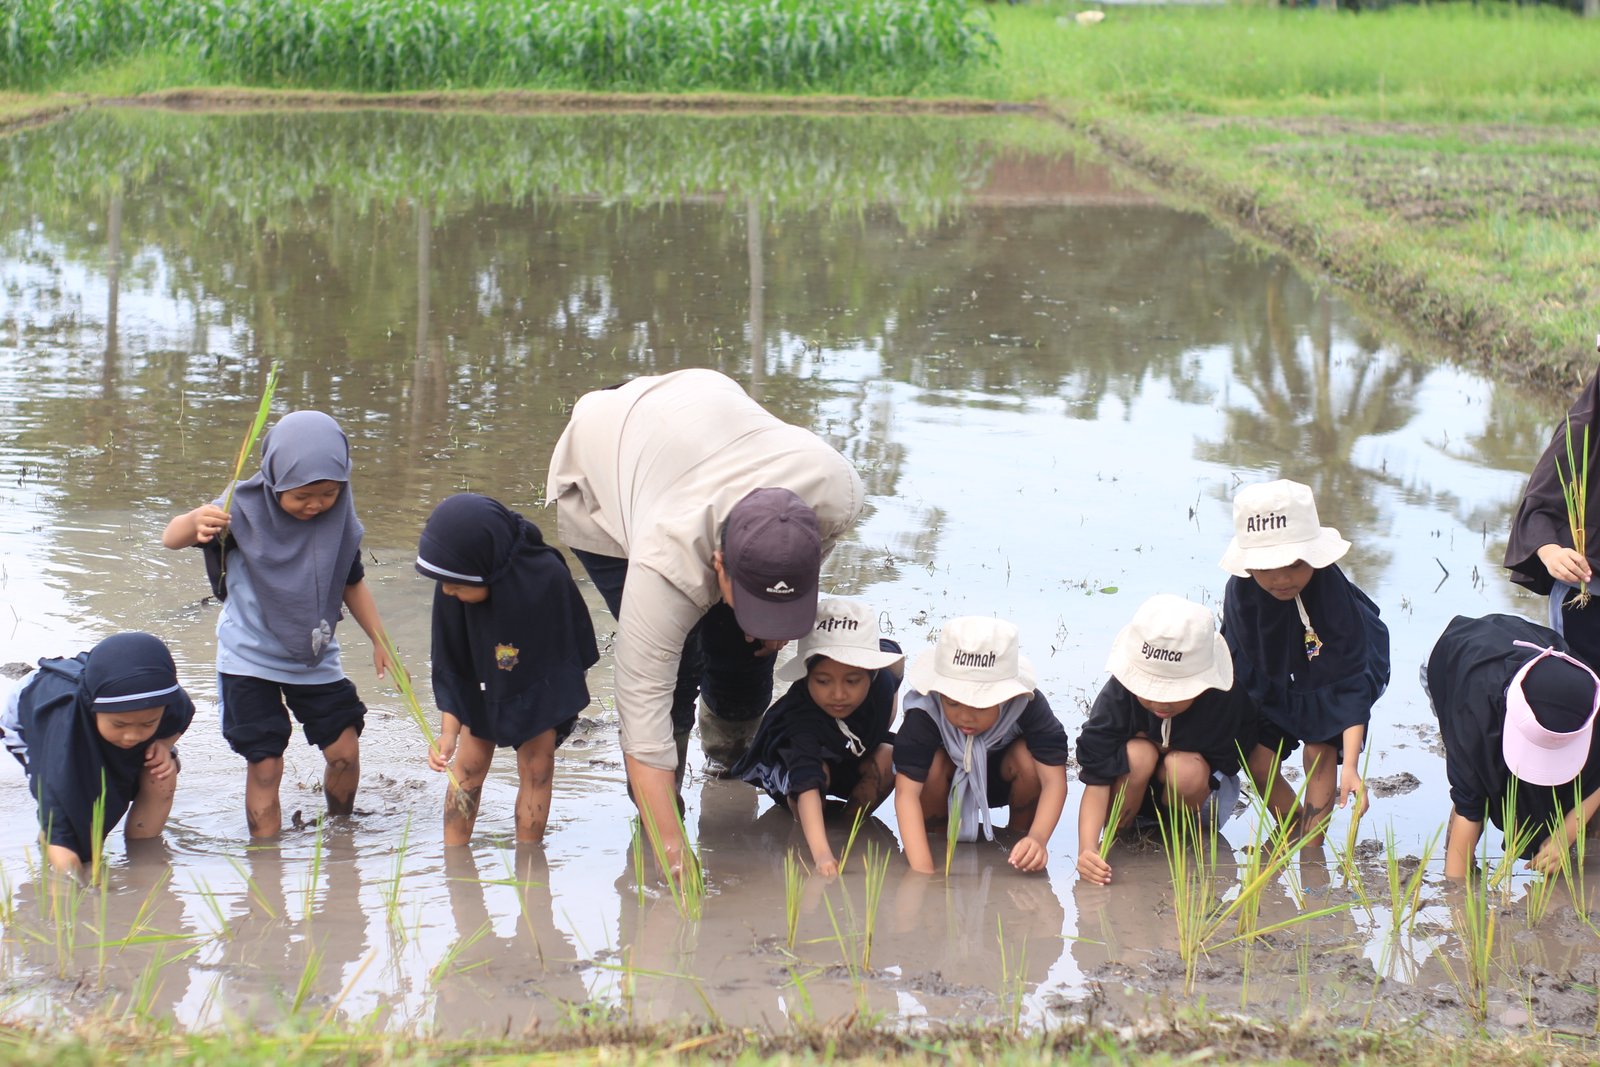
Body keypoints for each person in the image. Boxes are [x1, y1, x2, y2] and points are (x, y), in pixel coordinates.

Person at [546, 368, 863, 864]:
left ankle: (733, 763)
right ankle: (658, 808)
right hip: (604, 460)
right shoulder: (665, 557)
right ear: (719, 567)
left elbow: (802, 554)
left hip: (700, 414)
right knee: (677, 671)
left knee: (744, 650)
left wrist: (775, 617)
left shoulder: (836, 489)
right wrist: (672, 850)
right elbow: (641, 703)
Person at [162, 409, 391, 838]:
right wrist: (193, 523)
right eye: (301, 495)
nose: (316, 504)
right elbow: (171, 538)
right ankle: (266, 863)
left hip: (313, 652)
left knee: (344, 750)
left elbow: (352, 582)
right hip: (248, 657)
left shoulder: (336, 522)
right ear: (273, 480)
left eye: (328, 492)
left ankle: (341, 831)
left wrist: (380, 641)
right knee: (266, 765)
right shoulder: (238, 510)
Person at [415, 493, 599, 845]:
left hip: (536, 682)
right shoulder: (453, 582)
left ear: (488, 566)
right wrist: (449, 733)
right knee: (468, 766)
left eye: (456, 585)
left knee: (537, 767)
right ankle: (455, 865)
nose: (448, 591)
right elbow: (452, 664)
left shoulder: (546, 578)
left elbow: (563, 655)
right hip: (482, 686)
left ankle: (530, 867)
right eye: (444, 584)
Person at [1220, 479, 1389, 844]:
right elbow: (1236, 670)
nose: (1282, 578)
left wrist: (1353, 769)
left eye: (1295, 564)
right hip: (1267, 669)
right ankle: (1292, 826)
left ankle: (1312, 850)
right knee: (1258, 761)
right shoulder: (1241, 597)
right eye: (1267, 567)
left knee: (1320, 749)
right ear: (1248, 566)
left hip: (1327, 666)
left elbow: (1349, 685)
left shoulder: (1332, 598)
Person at [1075, 595, 1256, 886]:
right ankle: (1122, 836)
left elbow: (1230, 764)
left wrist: (1170, 749)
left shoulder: (1226, 702)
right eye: (1151, 688)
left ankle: (1179, 839)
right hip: (1129, 791)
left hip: (1193, 795)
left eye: (1174, 691)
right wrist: (1087, 848)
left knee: (1182, 768)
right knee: (1138, 754)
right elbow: (1096, 781)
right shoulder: (1118, 696)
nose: (1160, 701)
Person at [730, 598, 904, 877]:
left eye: (852, 681)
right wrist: (822, 855)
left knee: (891, 755)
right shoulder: (802, 717)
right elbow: (807, 780)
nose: (838, 694)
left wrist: (882, 721)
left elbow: (893, 654)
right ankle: (809, 832)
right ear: (806, 674)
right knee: (813, 780)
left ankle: (847, 828)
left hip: (850, 754)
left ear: (872, 675)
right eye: (823, 681)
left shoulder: (884, 682)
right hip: (798, 770)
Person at [0, 632, 193, 876]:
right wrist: (77, 884)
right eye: (120, 726)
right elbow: (56, 801)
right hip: (34, 717)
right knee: (74, 815)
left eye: (147, 724)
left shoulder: (162, 696)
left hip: (103, 692)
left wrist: (164, 745)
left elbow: (181, 716)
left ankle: (144, 856)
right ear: (93, 708)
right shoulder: (62, 731)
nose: (132, 736)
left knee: (162, 772)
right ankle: (51, 845)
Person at [1426, 613, 1600, 880]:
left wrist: (1565, 834)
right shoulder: (1475, 718)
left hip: (1536, 653)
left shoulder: (1591, 706)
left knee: (1571, 794)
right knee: (1475, 780)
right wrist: (1456, 898)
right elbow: (1468, 803)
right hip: (1454, 660)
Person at [892, 616, 1070, 874]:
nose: (965, 716)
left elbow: (1054, 781)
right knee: (931, 766)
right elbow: (906, 794)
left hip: (1000, 780)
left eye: (980, 705)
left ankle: (1018, 842)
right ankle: (938, 839)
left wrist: (1039, 839)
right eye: (952, 703)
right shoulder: (925, 712)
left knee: (1028, 760)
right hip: (946, 784)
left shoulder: (1027, 704)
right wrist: (924, 873)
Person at [1505, 360, 1600, 669]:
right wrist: (1551, 552)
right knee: (1587, 702)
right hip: (1586, 601)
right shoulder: (1583, 429)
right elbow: (1537, 507)